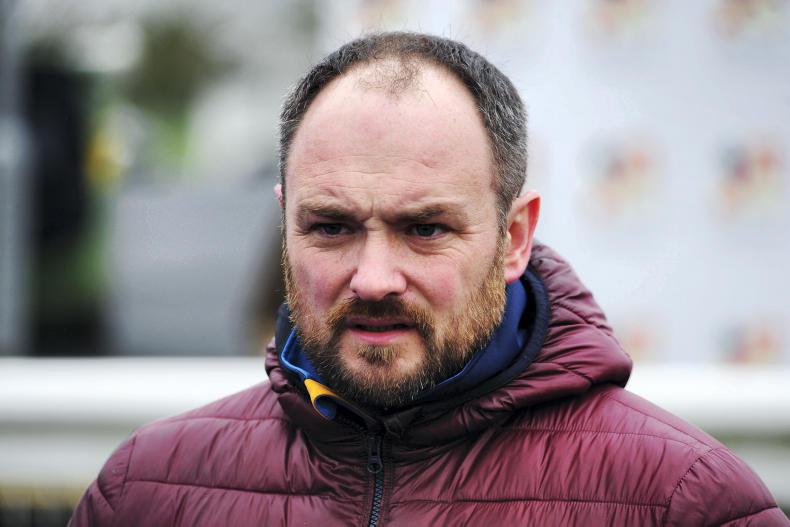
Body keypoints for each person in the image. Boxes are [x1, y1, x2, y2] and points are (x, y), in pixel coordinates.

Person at [70, 32, 788, 526]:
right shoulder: (145, 492)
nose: (374, 278)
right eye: (332, 227)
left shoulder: (683, 503)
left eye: (425, 229)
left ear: (514, 238)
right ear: (284, 229)